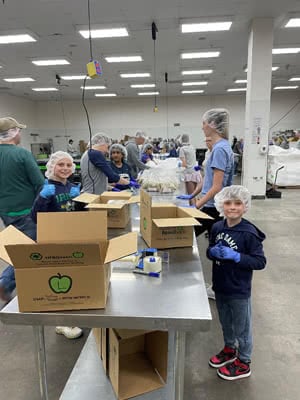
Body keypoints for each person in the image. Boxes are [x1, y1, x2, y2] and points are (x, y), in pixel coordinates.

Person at [207, 185, 266, 380]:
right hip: (221, 286)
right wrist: (211, 252)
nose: (232, 207)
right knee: (226, 322)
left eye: (238, 203)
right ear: (221, 205)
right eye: (228, 203)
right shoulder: (217, 227)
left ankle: (244, 361)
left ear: (245, 206)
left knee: (242, 327)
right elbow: (209, 249)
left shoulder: (249, 233)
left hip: (239, 289)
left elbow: (260, 261)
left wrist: (237, 256)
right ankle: (230, 349)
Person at [31, 151, 83, 340]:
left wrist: (80, 202)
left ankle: (72, 316)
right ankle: (62, 322)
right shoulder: (45, 188)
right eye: (60, 164)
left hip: (71, 237)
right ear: (52, 166)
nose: (65, 168)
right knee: (59, 280)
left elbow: (80, 216)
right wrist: (42, 198)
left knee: (72, 278)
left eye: (69, 165)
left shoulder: (72, 187)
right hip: (53, 240)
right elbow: (35, 217)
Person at [0, 117, 44, 302]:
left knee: (20, 247)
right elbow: (40, 184)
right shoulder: (22, 154)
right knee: (29, 251)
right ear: (14, 132)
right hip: (26, 212)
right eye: (19, 130)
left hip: (5, 212)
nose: (21, 134)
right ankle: (5, 282)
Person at [194, 109, 234, 236]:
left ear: (212, 124)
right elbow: (209, 178)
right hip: (215, 203)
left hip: (213, 205)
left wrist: (197, 205)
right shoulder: (223, 146)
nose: (202, 127)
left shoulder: (219, 150)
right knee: (215, 239)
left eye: (204, 123)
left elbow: (217, 186)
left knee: (188, 234)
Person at [178, 134, 202, 205]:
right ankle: (195, 210)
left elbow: (184, 164)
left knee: (190, 195)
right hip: (196, 171)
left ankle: (193, 211)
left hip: (189, 173)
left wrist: (179, 166)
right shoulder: (192, 147)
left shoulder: (182, 149)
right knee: (194, 194)